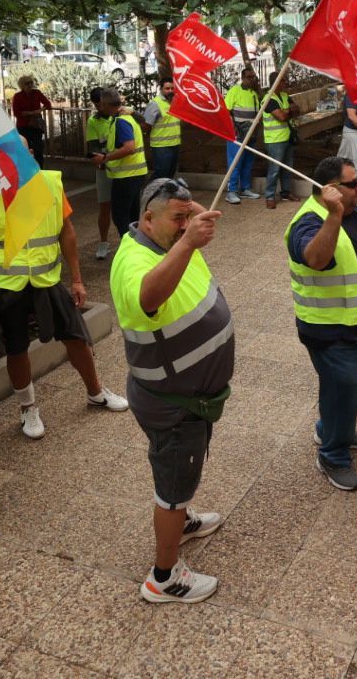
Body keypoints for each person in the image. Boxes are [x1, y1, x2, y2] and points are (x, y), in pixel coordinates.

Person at [110, 177, 232, 604]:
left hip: (187, 398)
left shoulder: (167, 241)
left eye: (187, 217)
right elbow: (148, 295)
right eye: (177, 218)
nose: (187, 225)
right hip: (173, 404)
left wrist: (185, 217)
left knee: (179, 474)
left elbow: (185, 229)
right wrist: (186, 240)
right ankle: (164, 577)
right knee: (173, 485)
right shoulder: (136, 261)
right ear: (147, 218)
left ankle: (180, 518)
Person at [0, 163, 127, 440]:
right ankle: (28, 408)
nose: (11, 162)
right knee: (16, 348)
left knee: (76, 337)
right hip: (4, 286)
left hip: (47, 281)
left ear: (28, 154)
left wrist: (76, 279)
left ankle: (96, 392)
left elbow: (66, 232)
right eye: (1, 158)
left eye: (17, 154)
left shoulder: (50, 183)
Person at [287, 156, 357, 491]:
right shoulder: (308, 221)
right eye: (352, 184)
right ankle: (333, 454)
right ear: (331, 189)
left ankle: (335, 429)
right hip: (333, 328)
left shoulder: (354, 209)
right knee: (341, 388)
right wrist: (334, 215)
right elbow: (316, 259)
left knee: (349, 387)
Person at [91, 89, 148, 243]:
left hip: (126, 178)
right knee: (133, 215)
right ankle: (139, 246)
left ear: (104, 104)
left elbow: (129, 147)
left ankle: (130, 249)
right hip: (135, 174)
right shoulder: (127, 118)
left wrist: (105, 158)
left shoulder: (121, 121)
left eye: (101, 104)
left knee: (121, 216)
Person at [223, 67, 263, 204]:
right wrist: (232, 127)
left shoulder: (254, 93)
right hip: (237, 134)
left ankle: (245, 189)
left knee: (248, 162)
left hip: (251, 134)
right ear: (243, 78)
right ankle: (231, 191)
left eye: (254, 77)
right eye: (249, 77)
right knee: (235, 162)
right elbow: (226, 111)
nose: (252, 79)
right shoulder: (235, 91)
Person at [85, 86, 116, 260]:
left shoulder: (121, 115)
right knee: (105, 206)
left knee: (124, 207)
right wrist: (99, 159)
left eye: (101, 104)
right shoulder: (94, 121)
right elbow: (93, 146)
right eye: (96, 104)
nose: (99, 108)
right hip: (104, 169)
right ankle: (103, 242)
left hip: (125, 170)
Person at [261, 74, 295, 208]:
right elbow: (281, 116)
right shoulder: (268, 99)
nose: (285, 83)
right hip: (274, 140)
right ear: (275, 82)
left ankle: (286, 193)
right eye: (282, 80)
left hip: (287, 137)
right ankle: (269, 197)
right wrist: (288, 110)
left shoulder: (285, 96)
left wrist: (288, 111)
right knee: (274, 169)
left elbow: (297, 108)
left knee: (287, 168)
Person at [140, 79, 182, 182]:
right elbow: (146, 125)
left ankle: (163, 195)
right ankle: (148, 193)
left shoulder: (175, 102)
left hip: (174, 144)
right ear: (161, 89)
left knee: (170, 173)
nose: (170, 91)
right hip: (161, 146)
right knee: (161, 173)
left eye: (172, 88)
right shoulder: (155, 104)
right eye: (167, 88)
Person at [11, 75, 53, 168]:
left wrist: (40, 111)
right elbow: (17, 113)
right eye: (27, 83)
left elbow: (48, 104)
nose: (30, 85)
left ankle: (40, 170)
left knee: (38, 150)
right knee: (25, 150)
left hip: (36, 126)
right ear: (22, 85)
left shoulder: (37, 93)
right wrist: (31, 113)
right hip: (23, 126)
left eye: (31, 82)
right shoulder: (17, 96)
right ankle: (27, 171)